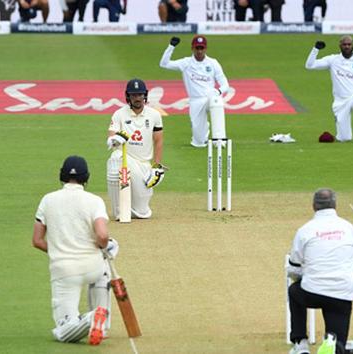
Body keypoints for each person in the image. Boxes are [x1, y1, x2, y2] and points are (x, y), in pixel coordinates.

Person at [32, 155, 119, 345]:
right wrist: (103, 248)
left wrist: (58, 250)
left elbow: (37, 241)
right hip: (92, 266)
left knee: (63, 331)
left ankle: (89, 319)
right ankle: (101, 324)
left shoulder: (48, 200)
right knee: (103, 262)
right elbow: (103, 236)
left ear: (62, 176)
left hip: (64, 271)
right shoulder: (95, 201)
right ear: (86, 177)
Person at [286, 189, 353, 354]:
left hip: (313, 291)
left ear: (313, 206)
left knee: (294, 291)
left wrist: (303, 276)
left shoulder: (305, 230)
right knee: (336, 346)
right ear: (335, 205)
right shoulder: (348, 227)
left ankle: (300, 343)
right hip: (343, 293)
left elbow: (294, 267)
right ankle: (334, 344)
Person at [106, 79, 165, 220]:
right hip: (126, 160)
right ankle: (119, 211)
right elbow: (111, 139)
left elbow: (158, 141)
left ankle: (131, 206)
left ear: (145, 95)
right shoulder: (119, 114)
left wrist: (156, 166)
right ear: (128, 97)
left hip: (143, 165)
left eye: (140, 94)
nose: (137, 98)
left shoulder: (154, 115)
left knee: (142, 212)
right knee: (116, 156)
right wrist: (115, 140)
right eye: (134, 95)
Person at [159, 35, 230, 148]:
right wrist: (171, 47)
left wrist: (217, 92)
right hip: (195, 101)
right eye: (197, 48)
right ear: (192, 48)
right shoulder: (186, 63)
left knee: (217, 101)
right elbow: (164, 64)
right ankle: (202, 135)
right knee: (199, 142)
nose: (199, 51)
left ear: (205, 48)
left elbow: (225, 84)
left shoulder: (213, 63)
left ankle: (219, 140)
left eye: (202, 48)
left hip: (210, 98)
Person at [305, 36, 353, 143]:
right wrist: (315, 49)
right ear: (340, 46)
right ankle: (343, 131)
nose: (347, 46)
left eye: (349, 44)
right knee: (344, 138)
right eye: (344, 44)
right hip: (340, 103)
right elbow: (309, 66)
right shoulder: (333, 60)